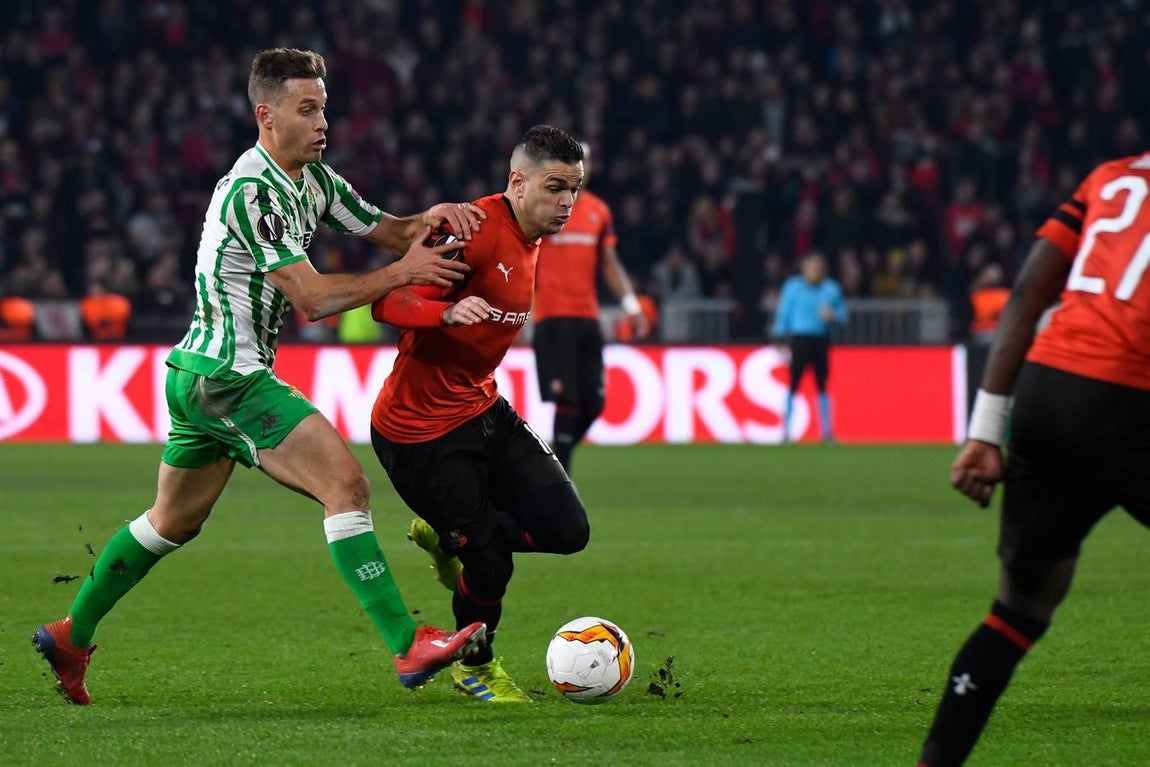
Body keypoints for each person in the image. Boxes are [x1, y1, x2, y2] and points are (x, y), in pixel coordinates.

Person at [31, 48, 490, 706]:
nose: (322, 122)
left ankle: (71, 634)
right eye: (307, 110)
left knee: (171, 522)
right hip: (228, 375)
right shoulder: (254, 190)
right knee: (346, 482)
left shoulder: (316, 181)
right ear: (266, 116)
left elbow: (394, 232)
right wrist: (405, 272)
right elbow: (311, 299)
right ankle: (406, 641)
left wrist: (435, 218)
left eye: (324, 108)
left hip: (200, 375)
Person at [918, 153, 1150, 765]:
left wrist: (986, 430)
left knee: (1016, 612)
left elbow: (1028, 291)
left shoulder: (1112, 176)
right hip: (1131, 395)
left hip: (1047, 391)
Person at [369, 125, 590, 703]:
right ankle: (476, 667)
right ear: (518, 182)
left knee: (569, 532)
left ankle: (452, 540)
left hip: (481, 407)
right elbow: (386, 299)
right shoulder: (472, 228)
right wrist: (441, 314)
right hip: (418, 434)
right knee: (491, 561)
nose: (567, 201)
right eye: (555, 186)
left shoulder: (534, 236)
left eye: (575, 188)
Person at [532, 141, 650, 473]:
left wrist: (631, 305)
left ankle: (551, 463)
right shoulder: (542, 208)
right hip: (553, 318)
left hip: (587, 317)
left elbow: (609, 263)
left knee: (594, 401)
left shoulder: (599, 210)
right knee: (567, 400)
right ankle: (559, 478)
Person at [771, 251, 847, 443]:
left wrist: (834, 317)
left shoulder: (832, 289)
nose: (815, 271)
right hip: (800, 340)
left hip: (821, 340)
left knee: (822, 386)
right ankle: (786, 432)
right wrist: (779, 338)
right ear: (804, 269)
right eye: (811, 267)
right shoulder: (793, 288)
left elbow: (843, 315)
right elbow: (783, 314)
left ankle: (827, 433)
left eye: (818, 267)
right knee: (793, 385)